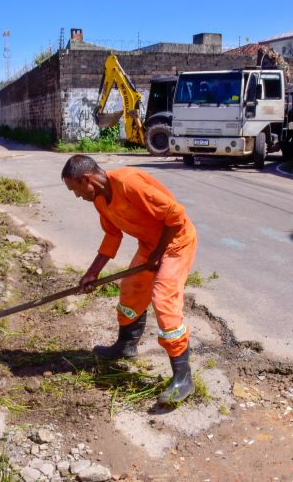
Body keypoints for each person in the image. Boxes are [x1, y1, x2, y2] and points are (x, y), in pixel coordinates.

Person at [61, 155, 198, 404]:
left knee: (163, 299)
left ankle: (183, 377)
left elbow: (176, 216)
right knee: (131, 292)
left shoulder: (129, 184)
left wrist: (158, 253)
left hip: (176, 243)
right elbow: (112, 236)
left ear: (86, 179)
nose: (77, 196)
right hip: (150, 246)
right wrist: (93, 272)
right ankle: (125, 346)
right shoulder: (101, 201)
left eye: (75, 189)